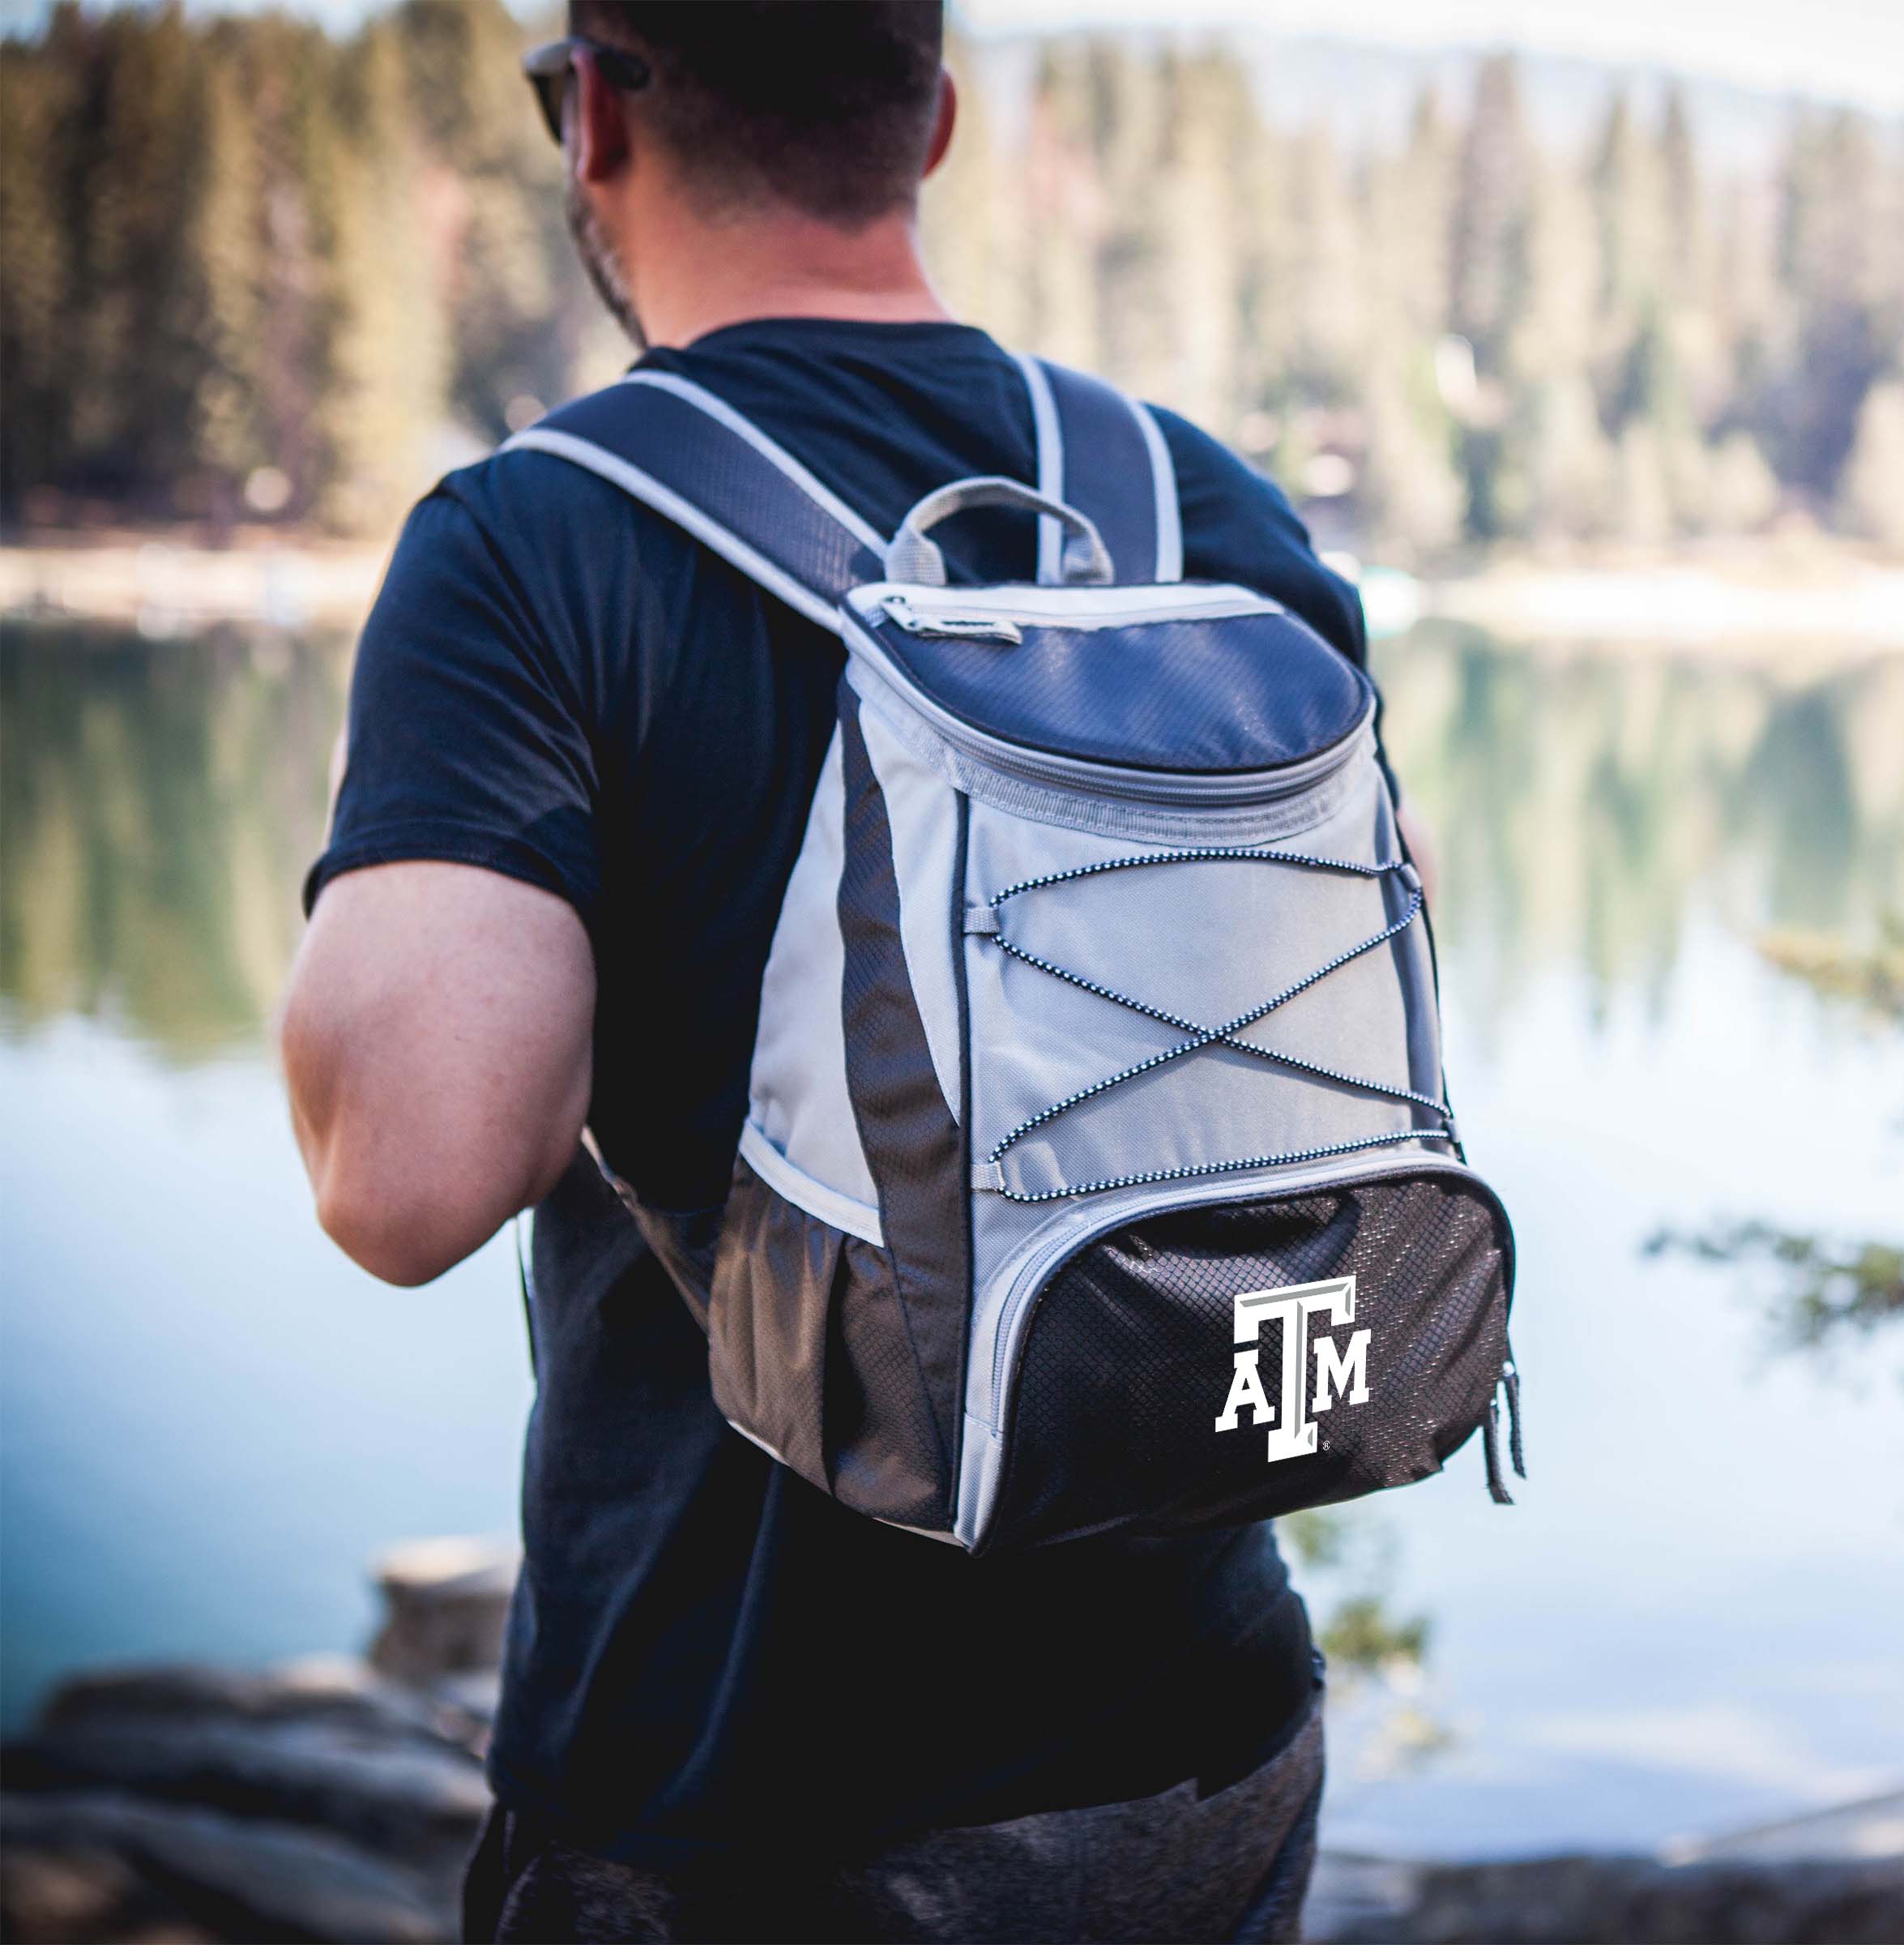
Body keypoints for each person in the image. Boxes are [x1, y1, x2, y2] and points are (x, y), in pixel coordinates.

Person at [280, 6, 1361, 1938]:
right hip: (1200, 1737)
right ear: (931, 122)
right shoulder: (1195, 501)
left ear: (595, 112)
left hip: (750, 1798)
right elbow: (1389, 955)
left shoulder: (537, 543)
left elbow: (408, 1176)